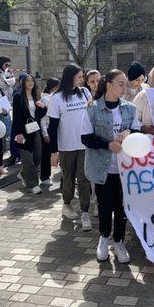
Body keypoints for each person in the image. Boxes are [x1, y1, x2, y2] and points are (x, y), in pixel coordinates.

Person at [81, 70, 143, 263]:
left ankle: (119, 241)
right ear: (108, 85)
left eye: (125, 84)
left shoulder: (130, 109)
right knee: (105, 205)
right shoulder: (92, 109)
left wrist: (128, 132)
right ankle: (104, 238)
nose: (125, 88)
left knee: (122, 206)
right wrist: (108, 144)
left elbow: (137, 130)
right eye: (121, 84)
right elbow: (86, 138)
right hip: (102, 167)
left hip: (125, 168)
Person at [48, 63, 93, 231]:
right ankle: (66, 204)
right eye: (80, 77)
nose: (82, 80)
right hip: (66, 145)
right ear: (70, 78)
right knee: (69, 177)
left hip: (84, 144)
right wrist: (53, 151)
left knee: (84, 178)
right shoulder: (56, 97)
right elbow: (52, 126)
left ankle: (85, 211)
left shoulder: (85, 93)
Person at [13, 75, 47, 194]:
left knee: (37, 157)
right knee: (28, 159)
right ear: (23, 83)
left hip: (34, 130)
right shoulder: (18, 97)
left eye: (32, 81)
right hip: (23, 131)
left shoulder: (36, 96)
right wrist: (19, 133)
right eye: (27, 81)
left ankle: (23, 174)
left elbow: (39, 115)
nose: (30, 83)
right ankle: (33, 184)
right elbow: (16, 116)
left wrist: (43, 108)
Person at [0, 56, 18, 164]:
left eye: (9, 65)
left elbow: (13, 81)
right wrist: (6, 82)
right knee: (2, 117)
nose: (7, 67)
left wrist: (6, 82)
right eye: (6, 64)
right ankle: (3, 136)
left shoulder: (8, 71)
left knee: (7, 116)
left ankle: (6, 135)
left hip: (8, 97)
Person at [40, 77, 60, 186]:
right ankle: (45, 177)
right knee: (46, 154)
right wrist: (45, 133)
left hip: (53, 129)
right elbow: (44, 118)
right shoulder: (46, 99)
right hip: (47, 129)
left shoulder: (53, 98)